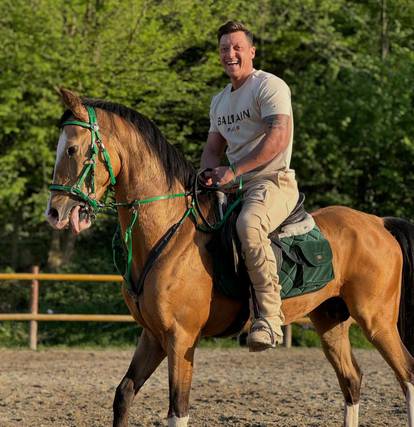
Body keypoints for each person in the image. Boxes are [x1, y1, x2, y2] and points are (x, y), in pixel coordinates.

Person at [200, 21, 299, 351]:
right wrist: (206, 176)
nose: (230, 53)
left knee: (248, 224)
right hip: (233, 186)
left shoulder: (268, 86)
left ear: (251, 52)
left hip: (272, 182)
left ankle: (270, 320)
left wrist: (234, 171)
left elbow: (278, 137)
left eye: (237, 47)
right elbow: (214, 148)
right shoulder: (219, 101)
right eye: (224, 48)